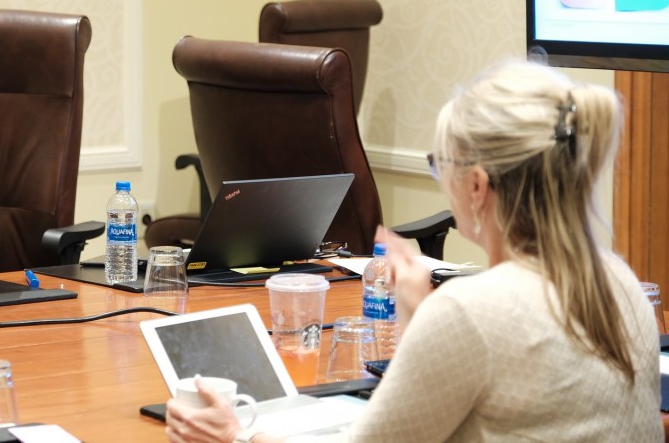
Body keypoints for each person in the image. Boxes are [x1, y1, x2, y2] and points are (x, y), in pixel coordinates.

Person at [164, 59, 662, 442]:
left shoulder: (470, 314)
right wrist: (420, 318)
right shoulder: (621, 284)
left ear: (477, 187)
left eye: (440, 164)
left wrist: (233, 433)